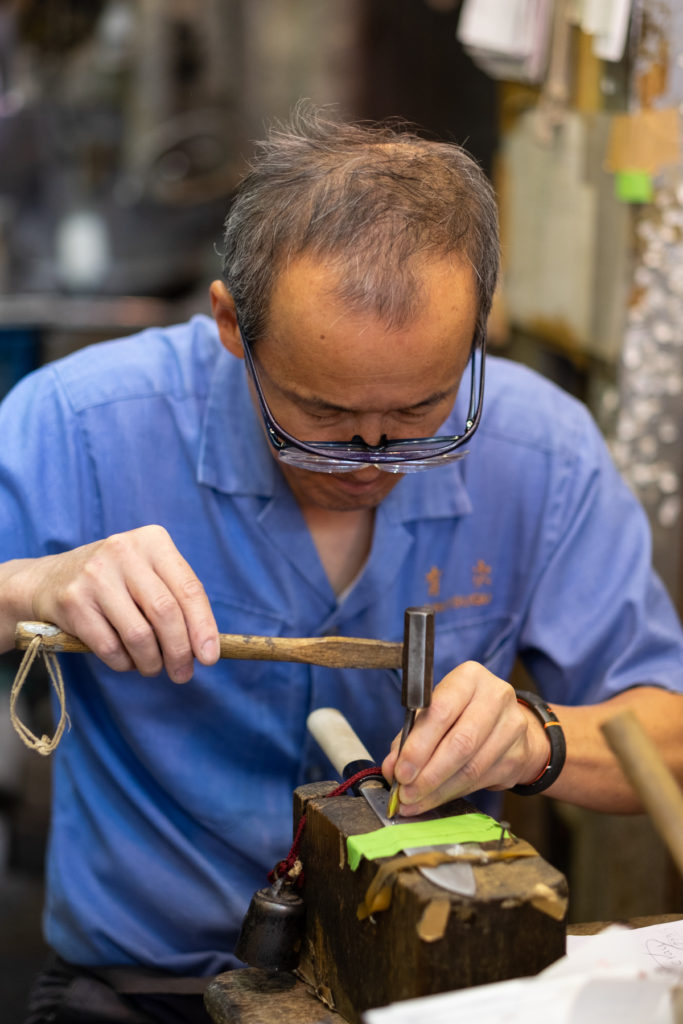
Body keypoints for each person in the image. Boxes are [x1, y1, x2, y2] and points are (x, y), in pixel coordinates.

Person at [2, 105, 683, 1023]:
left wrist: (536, 739)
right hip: (145, 987)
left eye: (419, 412)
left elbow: (664, 736)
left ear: (479, 328)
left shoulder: (545, 454)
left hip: (425, 983)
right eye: (319, 415)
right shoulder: (79, 424)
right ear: (231, 326)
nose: (369, 456)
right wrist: (30, 588)